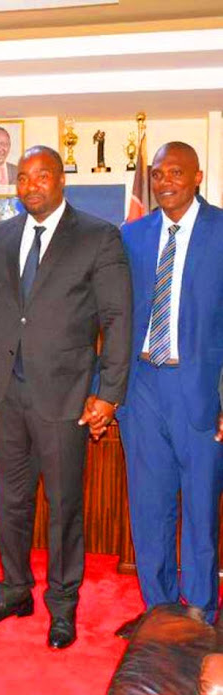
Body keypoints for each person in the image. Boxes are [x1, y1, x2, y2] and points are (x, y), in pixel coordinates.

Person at [0, 146, 132, 648]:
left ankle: (62, 606)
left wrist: (108, 393)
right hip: (5, 393)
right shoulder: (1, 235)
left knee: (63, 508)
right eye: (23, 178)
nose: (31, 185)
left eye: (42, 176)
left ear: (61, 181)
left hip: (66, 395)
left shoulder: (98, 236)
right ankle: (15, 590)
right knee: (10, 502)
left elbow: (117, 319)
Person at [115, 142, 223, 638]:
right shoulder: (133, 235)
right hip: (142, 389)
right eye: (157, 174)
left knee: (200, 506)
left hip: (197, 389)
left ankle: (200, 613)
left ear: (198, 176)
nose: (163, 182)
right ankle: (159, 610)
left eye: (175, 173)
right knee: (149, 505)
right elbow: (118, 317)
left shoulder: (221, 231)